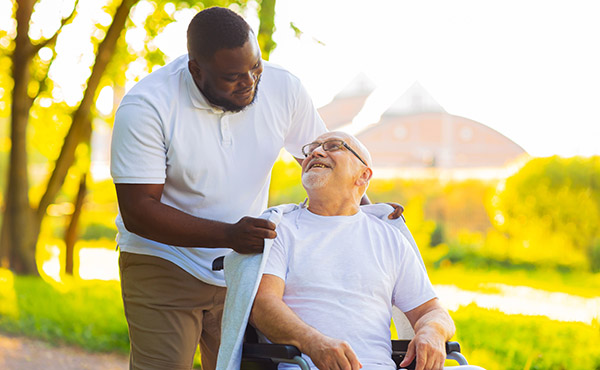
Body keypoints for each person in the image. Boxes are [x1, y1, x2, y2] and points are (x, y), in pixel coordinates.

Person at [110, 7, 402, 370]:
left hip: (243, 267)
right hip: (164, 259)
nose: (249, 82)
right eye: (233, 76)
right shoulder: (147, 106)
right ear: (196, 69)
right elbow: (139, 211)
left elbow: (332, 162)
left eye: (256, 68)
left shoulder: (283, 89)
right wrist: (230, 234)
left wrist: (368, 214)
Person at [250, 132, 484, 370]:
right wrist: (313, 342)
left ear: (363, 175)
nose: (315, 153)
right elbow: (261, 305)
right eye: (311, 149)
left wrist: (432, 331)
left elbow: (431, 310)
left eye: (333, 146)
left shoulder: (390, 238)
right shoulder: (279, 229)